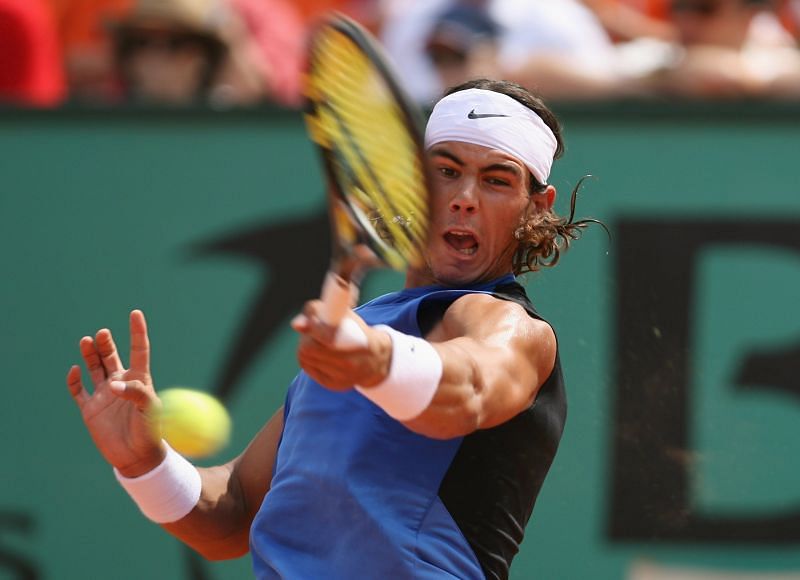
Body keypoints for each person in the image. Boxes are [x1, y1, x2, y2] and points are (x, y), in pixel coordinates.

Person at [66, 78, 597, 579]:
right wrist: (145, 464)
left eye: (497, 180)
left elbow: (469, 389)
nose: (465, 197)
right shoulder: (366, 326)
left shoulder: (509, 325)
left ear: (536, 207)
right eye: (445, 171)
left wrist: (376, 360)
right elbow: (234, 513)